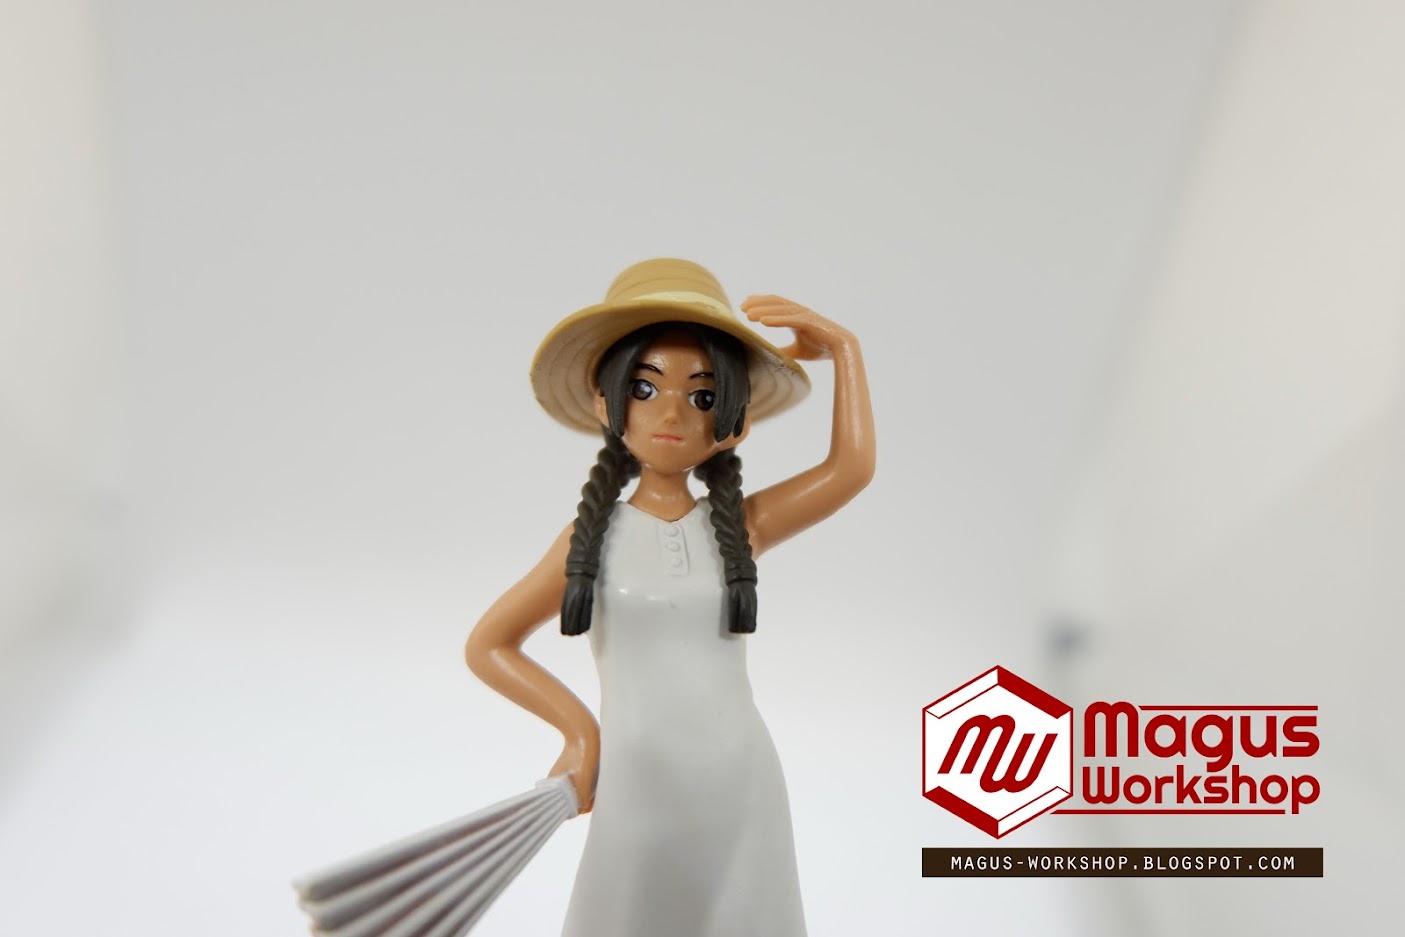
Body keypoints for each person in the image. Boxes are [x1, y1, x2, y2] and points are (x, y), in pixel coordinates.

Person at [465, 258, 874, 936]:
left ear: (736, 421)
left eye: (704, 396)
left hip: (740, 780)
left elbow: (850, 469)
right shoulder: (590, 539)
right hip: (636, 779)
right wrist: (579, 732)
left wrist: (846, 351)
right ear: (606, 403)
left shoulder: (742, 527)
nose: (673, 412)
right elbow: (489, 645)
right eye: (645, 387)